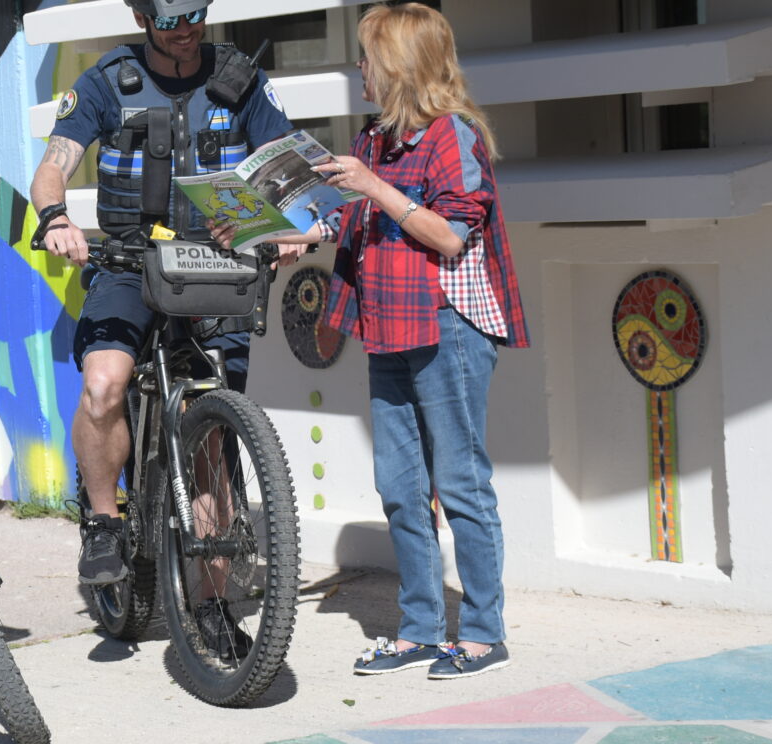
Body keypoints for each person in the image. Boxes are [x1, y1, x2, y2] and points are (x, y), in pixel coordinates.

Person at [29, 0, 303, 650]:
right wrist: (55, 218)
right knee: (104, 383)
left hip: (217, 268)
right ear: (140, 14)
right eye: (171, 17)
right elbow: (53, 165)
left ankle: (212, 606)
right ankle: (102, 522)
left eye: (196, 13)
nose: (186, 30)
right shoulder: (108, 83)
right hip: (129, 265)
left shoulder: (241, 81)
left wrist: (288, 224)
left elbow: (286, 166)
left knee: (213, 441)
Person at [277, 3, 528, 679]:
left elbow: (450, 235)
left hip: (448, 326)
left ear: (397, 66)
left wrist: (373, 187)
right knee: (400, 487)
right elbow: (342, 220)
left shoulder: (456, 136)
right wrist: (295, 237)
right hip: (388, 326)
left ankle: (482, 632)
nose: (357, 70)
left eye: (365, 58)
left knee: (461, 482)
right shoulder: (372, 143)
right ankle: (419, 627)